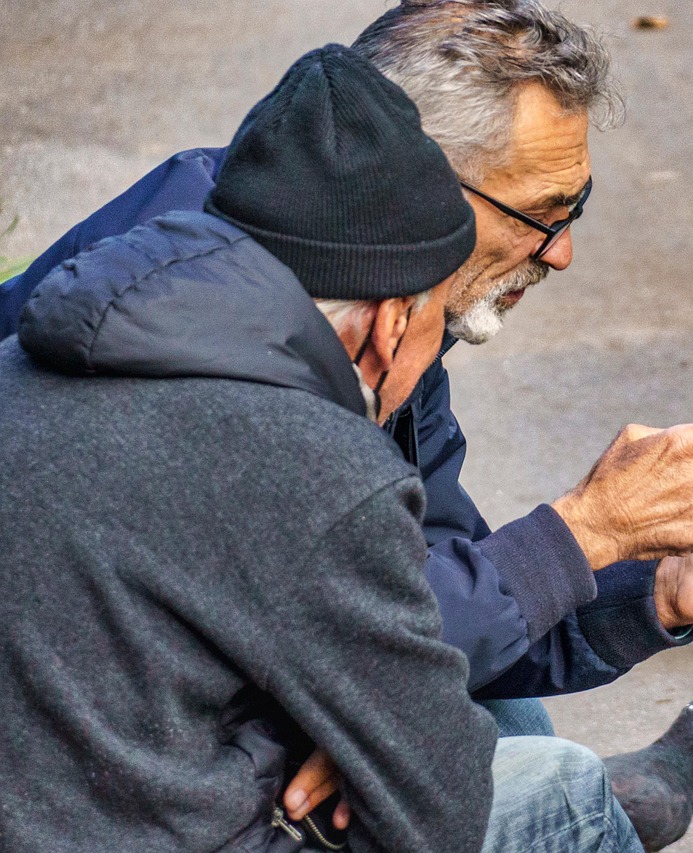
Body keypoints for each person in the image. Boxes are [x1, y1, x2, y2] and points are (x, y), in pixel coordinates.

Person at [0, 0, 693, 845]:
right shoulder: (302, 390)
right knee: (562, 793)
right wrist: (582, 530)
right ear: (416, 184)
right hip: (134, 788)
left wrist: (657, 586)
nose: (563, 251)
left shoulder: (283, 278)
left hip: (158, 737)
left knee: (497, 713)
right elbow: (429, 775)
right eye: (543, 213)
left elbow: (426, 592)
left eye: (575, 208)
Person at [0, 44, 501, 851]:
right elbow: (440, 815)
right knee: (565, 787)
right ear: (393, 322)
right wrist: (289, 744)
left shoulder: (24, 353)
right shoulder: (319, 468)